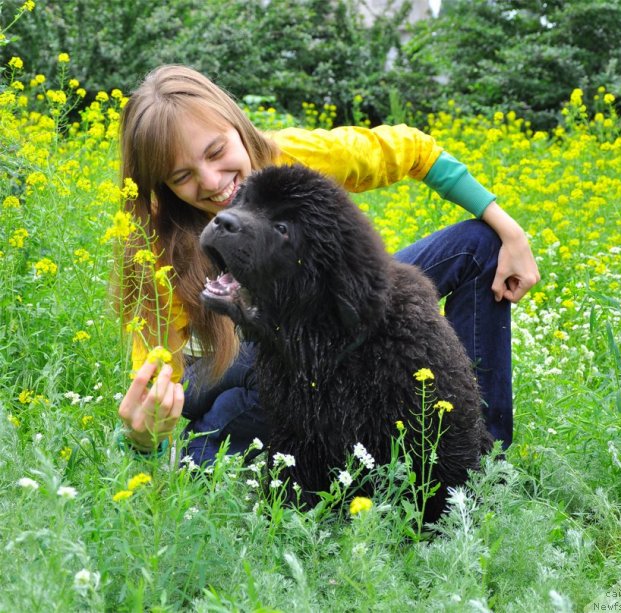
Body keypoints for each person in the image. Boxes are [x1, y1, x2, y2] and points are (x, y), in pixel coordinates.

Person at [116, 64, 540, 462]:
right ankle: (202, 458)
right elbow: (156, 378)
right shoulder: (158, 245)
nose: (212, 182)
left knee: (478, 245)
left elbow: (413, 150)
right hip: (234, 356)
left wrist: (510, 230)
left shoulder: (293, 157)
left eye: (216, 151)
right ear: (162, 187)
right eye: (182, 177)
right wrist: (143, 434)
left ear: (238, 126)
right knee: (275, 368)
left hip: (311, 328)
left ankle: (485, 461)